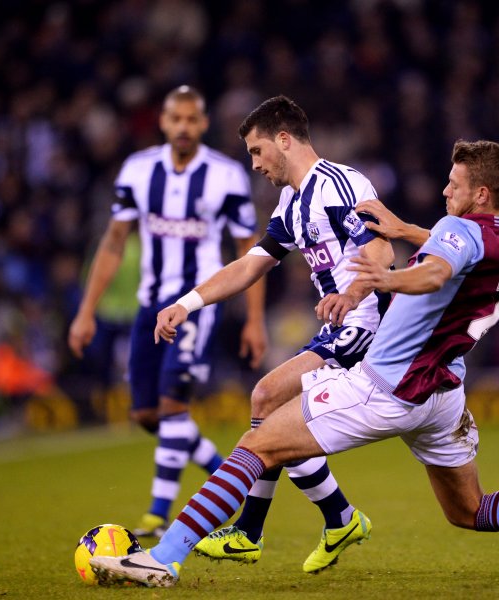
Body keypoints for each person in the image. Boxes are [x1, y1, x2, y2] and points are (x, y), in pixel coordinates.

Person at [89, 139, 499, 588]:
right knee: (470, 509)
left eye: (454, 184)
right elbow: (454, 249)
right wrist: (407, 231)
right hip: (444, 395)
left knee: (257, 444)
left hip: (386, 386)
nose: (444, 189)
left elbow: (433, 271)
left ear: (480, 192)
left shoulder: (452, 231)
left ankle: (164, 557)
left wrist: (383, 278)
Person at [154, 95, 395, 573]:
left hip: (371, 325)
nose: (255, 163)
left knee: (266, 396)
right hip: (337, 328)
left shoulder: (342, 185)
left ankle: (252, 531)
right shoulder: (291, 202)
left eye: (257, 150)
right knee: (271, 413)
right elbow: (250, 265)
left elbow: (384, 250)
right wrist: (186, 303)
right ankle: (335, 519)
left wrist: (351, 295)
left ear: (284, 140)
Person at [68, 85, 268, 539]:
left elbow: (249, 249)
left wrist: (254, 320)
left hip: (197, 303)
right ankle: (227, 473)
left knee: (174, 407)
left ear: (203, 123)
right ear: (162, 122)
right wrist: (86, 312)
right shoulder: (138, 170)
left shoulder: (226, 175)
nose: (183, 127)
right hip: (148, 303)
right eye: (175, 119)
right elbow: (114, 241)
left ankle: (159, 515)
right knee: (147, 416)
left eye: (192, 119)